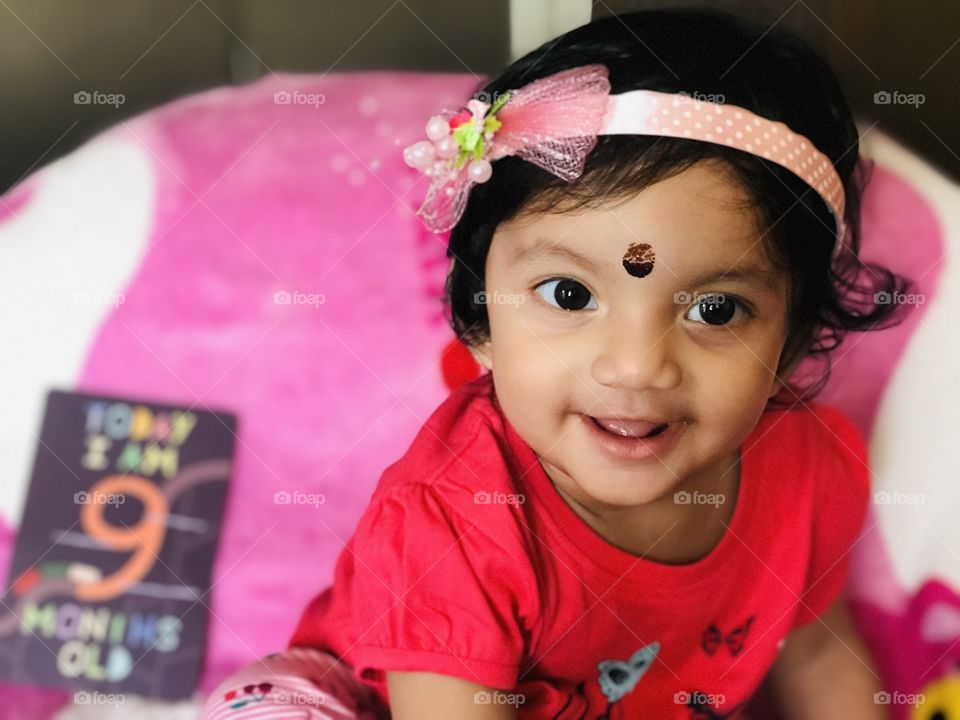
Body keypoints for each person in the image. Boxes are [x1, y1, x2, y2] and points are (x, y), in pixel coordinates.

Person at [200, 7, 912, 719]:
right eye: (569, 295)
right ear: (480, 318)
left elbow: (818, 654)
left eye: (714, 311)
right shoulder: (454, 521)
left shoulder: (808, 470)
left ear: (789, 341)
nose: (636, 369)